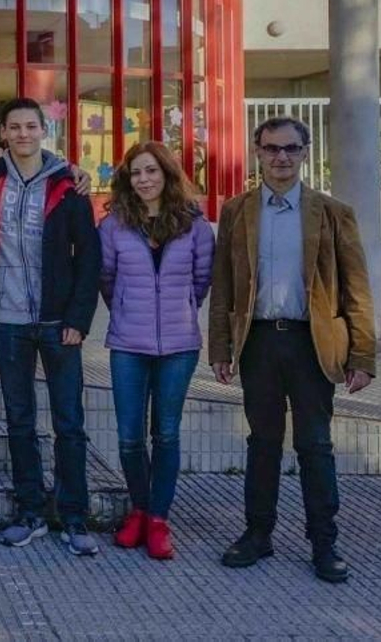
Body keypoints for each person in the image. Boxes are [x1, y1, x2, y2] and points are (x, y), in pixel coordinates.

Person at [209, 116, 376, 584]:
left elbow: (357, 289)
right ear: (257, 152)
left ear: (305, 152)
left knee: (314, 444)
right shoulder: (237, 211)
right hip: (259, 341)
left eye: (290, 148)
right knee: (262, 442)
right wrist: (220, 347)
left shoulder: (333, 212)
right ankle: (257, 534)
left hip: (311, 343)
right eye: (271, 148)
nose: (281, 157)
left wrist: (362, 356)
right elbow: (223, 286)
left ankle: (324, 542)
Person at [0, 98, 102, 556]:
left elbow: (88, 257)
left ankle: (73, 516)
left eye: (31, 126)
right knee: (19, 421)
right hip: (9, 319)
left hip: (58, 323)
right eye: (15, 127)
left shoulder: (68, 185)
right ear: (3, 132)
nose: (23, 134)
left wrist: (78, 319)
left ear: (43, 130)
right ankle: (29, 511)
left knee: (69, 422)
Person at [98, 141, 215, 560]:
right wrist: (129, 311)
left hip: (179, 346)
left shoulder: (194, 225)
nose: (144, 180)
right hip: (128, 344)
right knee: (130, 436)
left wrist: (178, 310)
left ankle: (159, 519)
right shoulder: (114, 225)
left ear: (167, 174)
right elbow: (106, 278)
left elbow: (201, 280)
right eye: (136, 173)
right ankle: (140, 510)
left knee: (165, 433)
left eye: (151, 171)